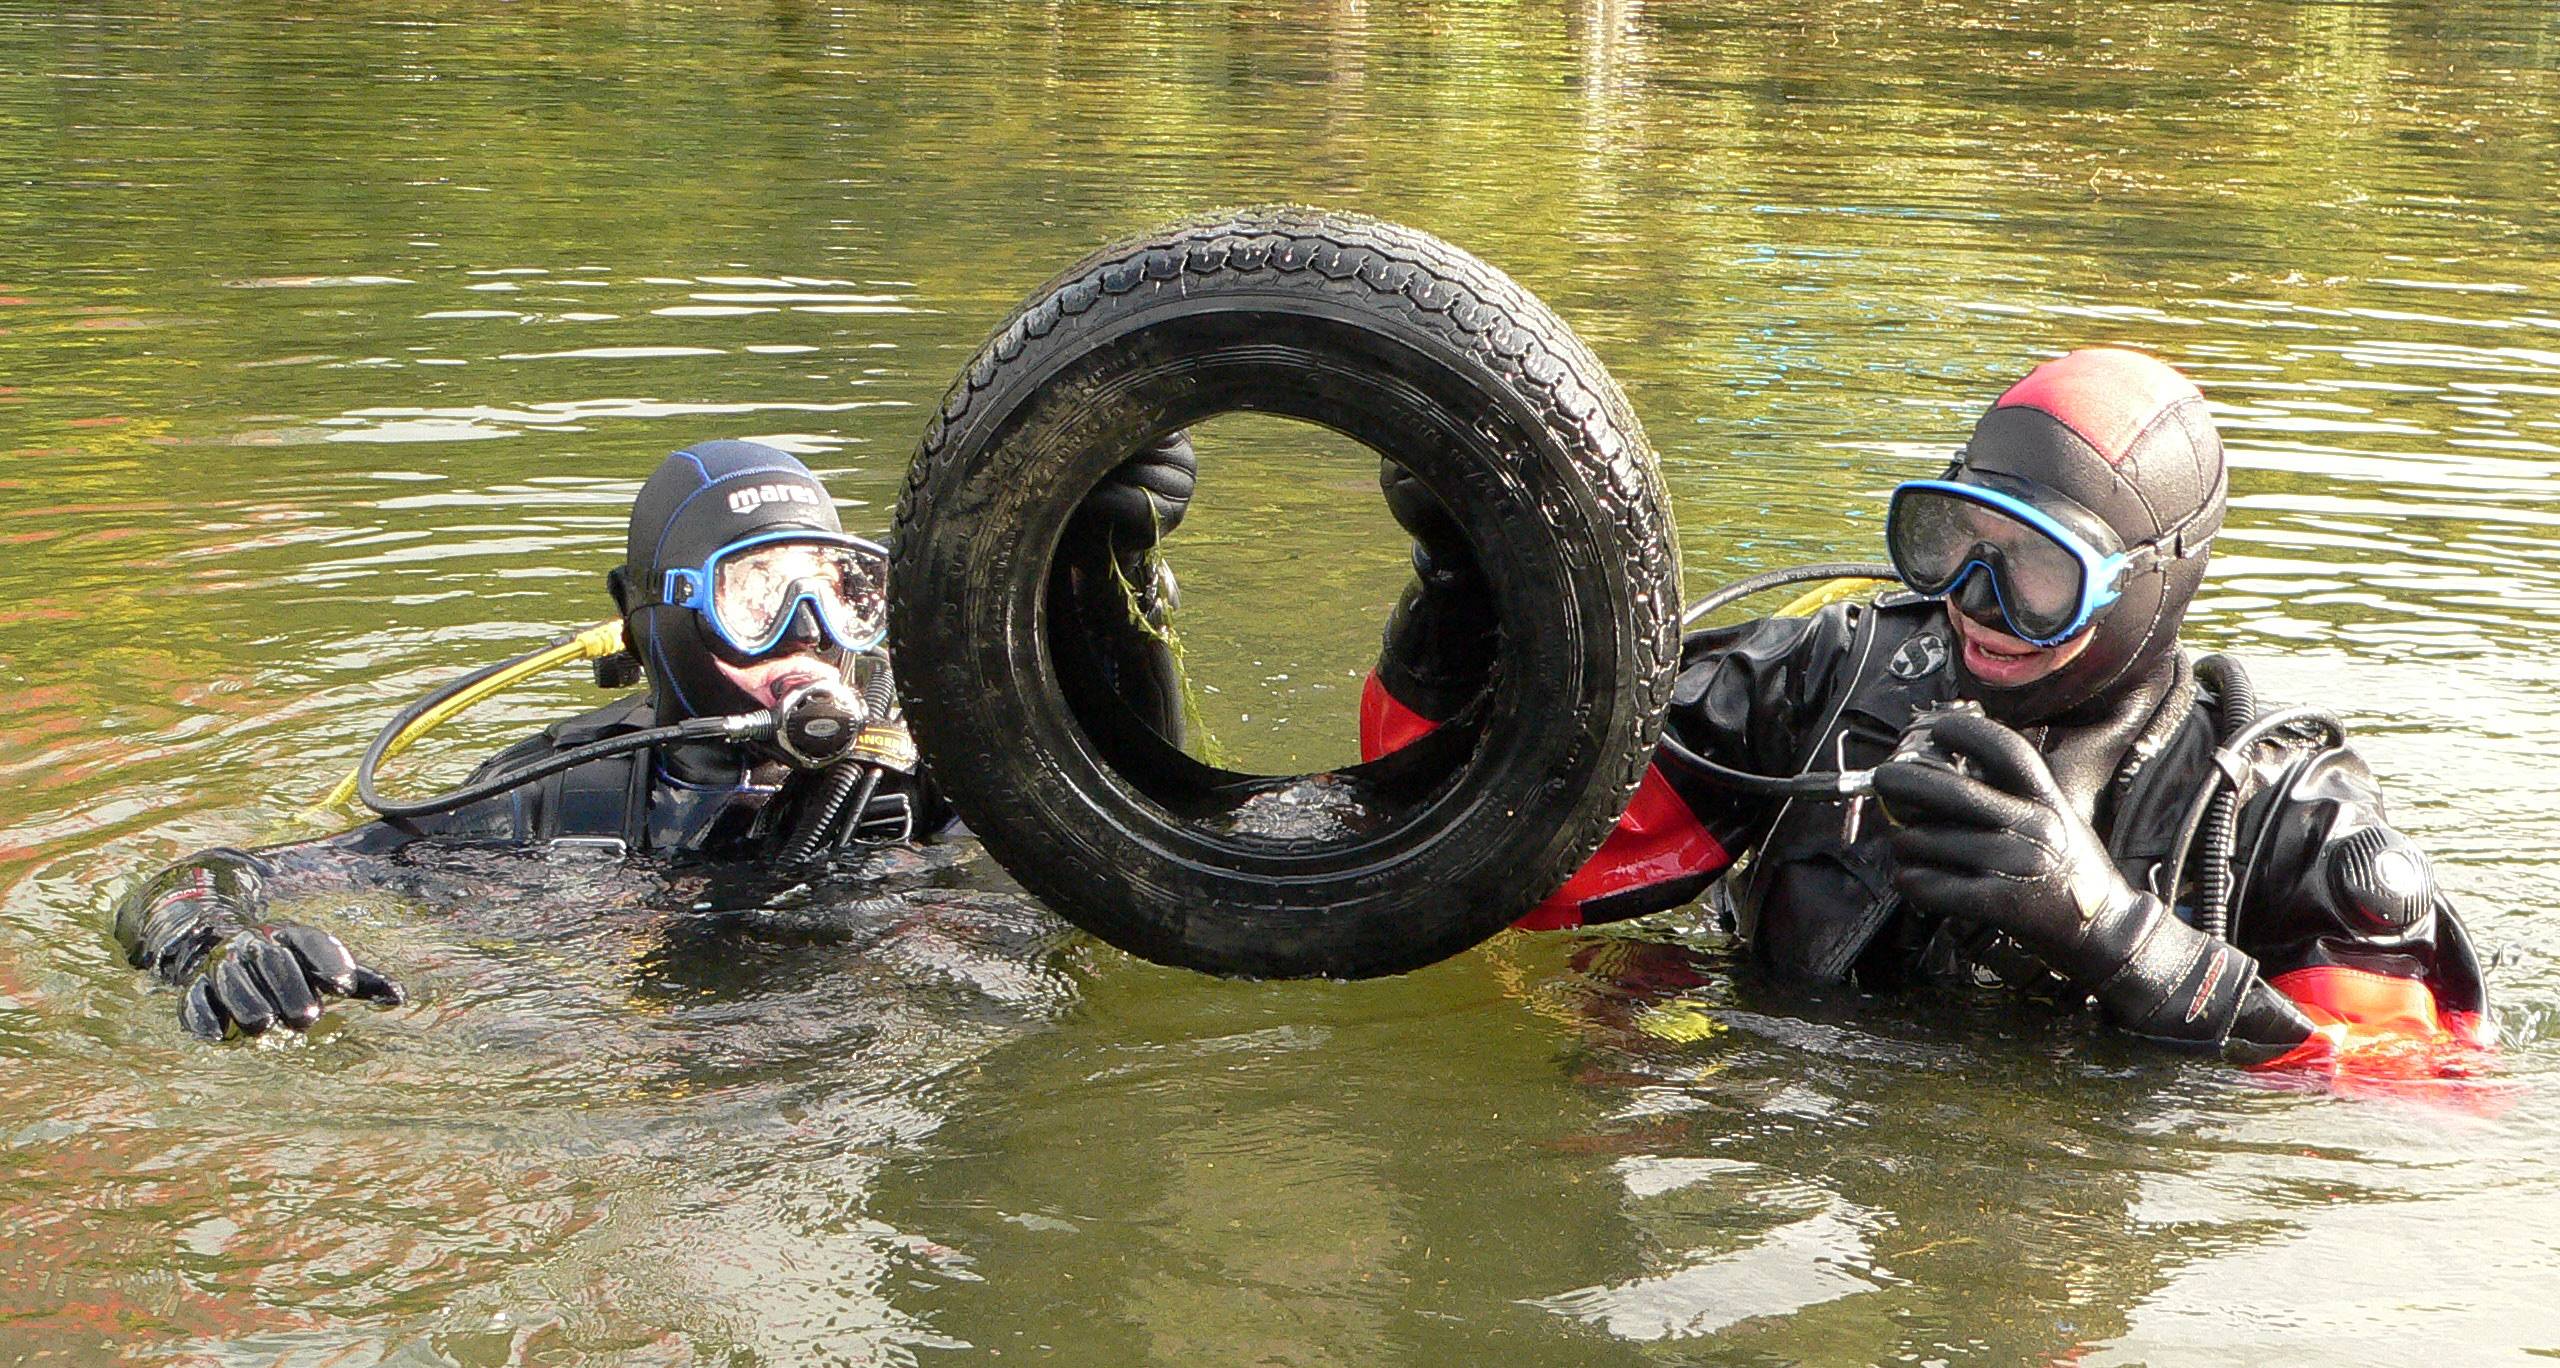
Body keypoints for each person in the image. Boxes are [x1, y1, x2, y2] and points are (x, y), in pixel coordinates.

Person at [1363, 347, 2492, 1072]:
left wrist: (2114, 937)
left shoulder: (2285, 817)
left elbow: (2410, 1118)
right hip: (1791, 1176)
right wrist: (1461, 599)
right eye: (1953, 543)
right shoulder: (1825, 676)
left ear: (2152, 579)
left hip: (2076, 1225)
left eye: (2037, 571)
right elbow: (1497, 872)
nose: (1975, 603)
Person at [115, 436, 1195, 1041]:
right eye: (755, 594)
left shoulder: (932, 777)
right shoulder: (556, 799)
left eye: (836, 588)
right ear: (654, 620)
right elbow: (199, 873)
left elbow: (1151, 829)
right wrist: (212, 946)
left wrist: (1107, 578)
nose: (809, 634)